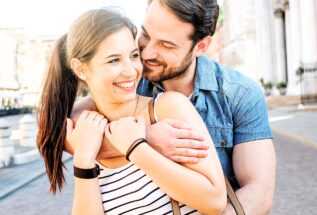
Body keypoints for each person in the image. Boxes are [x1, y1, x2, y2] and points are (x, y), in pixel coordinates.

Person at [74, 0, 276, 214]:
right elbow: (63, 130)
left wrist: (138, 141)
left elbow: (259, 193)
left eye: (166, 45)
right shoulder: (128, 84)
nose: (146, 53)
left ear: (201, 46)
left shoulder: (239, 94)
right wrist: (148, 136)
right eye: (146, 35)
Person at [37, 8, 227, 215]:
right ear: (81, 69)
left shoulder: (168, 108)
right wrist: (84, 159)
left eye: (133, 56)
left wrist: (136, 147)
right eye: (113, 60)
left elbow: (215, 201)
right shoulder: (85, 134)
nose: (131, 70)